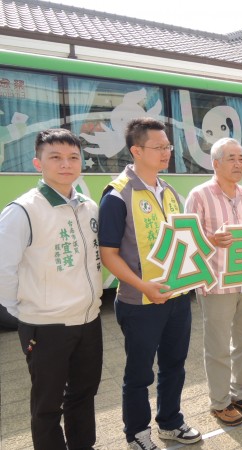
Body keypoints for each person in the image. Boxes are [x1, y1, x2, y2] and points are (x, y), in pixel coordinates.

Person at [99, 118, 201, 449]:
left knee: (174, 365)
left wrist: (210, 241)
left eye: (169, 147)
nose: (166, 152)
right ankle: (137, 433)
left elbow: (180, 241)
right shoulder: (117, 195)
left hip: (176, 297)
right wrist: (144, 287)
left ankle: (170, 422)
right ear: (136, 150)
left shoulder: (169, 191)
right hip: (139, 302)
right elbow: (109, 255)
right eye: (159, 147)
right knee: (139, 374)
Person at [0, 128, 103, 449]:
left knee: (83, 396)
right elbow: (4, 269)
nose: (66, 164)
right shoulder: (22, 211)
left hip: (89, 321)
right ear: (37, 163)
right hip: (46, 328)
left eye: (73, 157)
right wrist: (25, 313)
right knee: (46, 407)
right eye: (55, 157)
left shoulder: (89, 207)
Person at [185, 137, 242, 426]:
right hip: (215, 282)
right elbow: (187, 241)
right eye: (231, 157)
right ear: (215, 163)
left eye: (241, 157)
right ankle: (219, 402)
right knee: (218, 345)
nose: (238, 163)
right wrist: (210, 240)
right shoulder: (199, 195)